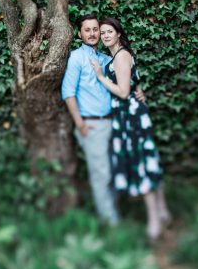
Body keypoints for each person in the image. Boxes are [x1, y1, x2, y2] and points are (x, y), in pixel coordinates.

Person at [89, 17, 171, 240]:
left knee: (141, 162)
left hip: (130, 116)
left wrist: (99, 77)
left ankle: (154, 218)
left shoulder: (121, 55)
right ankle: (162, 210)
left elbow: (124, 92)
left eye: (109, 32)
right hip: (129, 114)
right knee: (147, 157)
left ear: (118, 34)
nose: (105, 35)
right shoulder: (118, 55)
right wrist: (139, 89)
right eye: (102, 32)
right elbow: (134, 82)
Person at [61, 14, 145, 226]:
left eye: (95, 29)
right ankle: (111, 225)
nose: (92, 33)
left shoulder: (107, 59)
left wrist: (139, 90)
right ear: (79, 34)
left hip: (114, 122)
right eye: (87, 30)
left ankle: (113, 214)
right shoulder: (76, 58)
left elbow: (125, 79)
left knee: (115, 172)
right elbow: (68, 93)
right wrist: (80, 124)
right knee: (102, 174)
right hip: (92, 125)